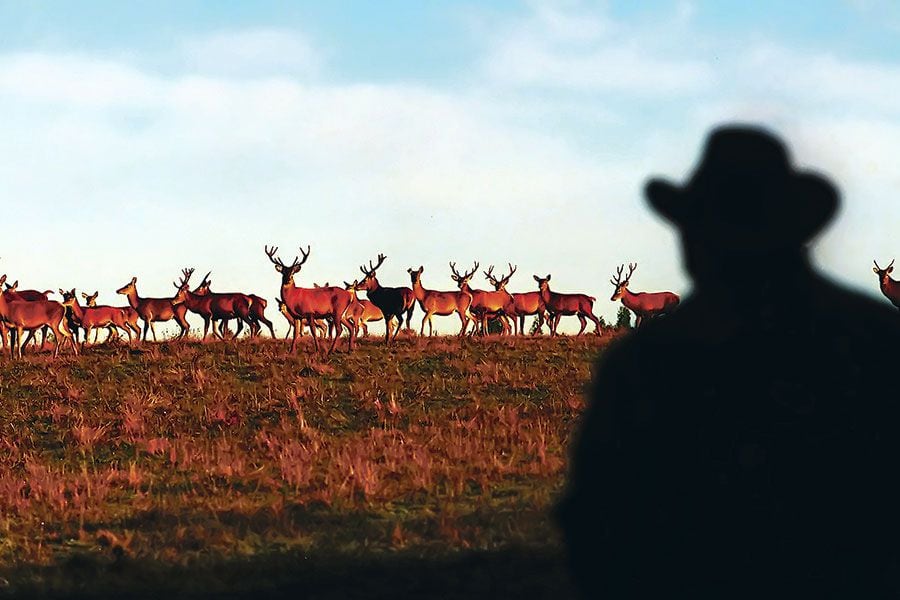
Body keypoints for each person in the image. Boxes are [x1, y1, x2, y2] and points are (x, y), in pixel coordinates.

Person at [556, 125, 900, 598]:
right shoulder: (878, 337)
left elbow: (595, 522)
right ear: (799, 230)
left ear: (697, 238)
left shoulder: (648, 359)